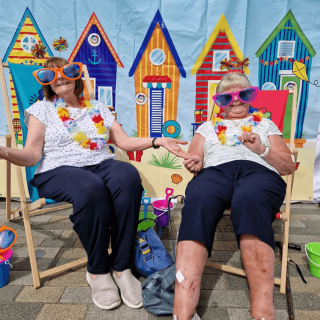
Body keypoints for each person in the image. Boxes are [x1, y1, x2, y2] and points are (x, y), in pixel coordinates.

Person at [0, 57, 190, 311]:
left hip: (100, 162)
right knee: (91, 188)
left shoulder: (98, 107)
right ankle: (98, 270)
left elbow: (123, 141)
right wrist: (4, 152)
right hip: (59, 169)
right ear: (47, 83)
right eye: (51, 75)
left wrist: (159, 140)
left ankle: (122, 267)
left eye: (66, 71)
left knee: (127, 176)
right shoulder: (41, 109)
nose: (60, 77)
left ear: (76, 75)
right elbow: (33, 154)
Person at [172, 73, 295, 320]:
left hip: (259, 171)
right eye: (227, 97)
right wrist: (194, 162)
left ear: (252, 96)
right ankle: (182, 309)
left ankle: (263, 309)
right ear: (219, 101)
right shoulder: (206, 127)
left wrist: (262, 149)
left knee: (250, 199)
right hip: (215, 172)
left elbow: (288, 166)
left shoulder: (266, 125)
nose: (236, 102)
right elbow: (195, 160)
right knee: (198, 200)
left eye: (244, 94)